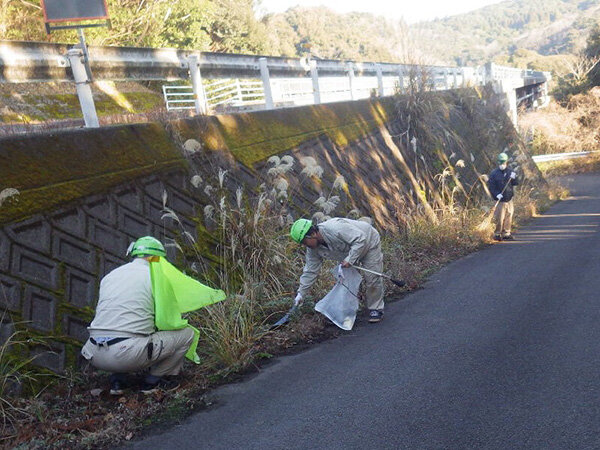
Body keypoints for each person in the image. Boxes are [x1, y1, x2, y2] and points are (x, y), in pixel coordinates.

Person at [81, 236, 212, 395]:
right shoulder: (157, 278)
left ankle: (118, 382)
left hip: (94, 353)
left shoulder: (110, 276)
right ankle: (155, 382)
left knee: (120, 325)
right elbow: (166, 319)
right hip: (126, 354)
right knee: (187, 334)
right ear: (157, 258)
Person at [290, 217, 385, 323]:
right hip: (348, 254)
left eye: (304, 242)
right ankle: (348, 312)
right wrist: (301, 293)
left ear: (312, 234)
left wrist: (350, 259)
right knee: (345, 282)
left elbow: (360, 239)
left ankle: (375, 309)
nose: (305, 245)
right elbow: (310, 270)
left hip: (368, 241)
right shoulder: (313, 249)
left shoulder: (335, 228)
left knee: (372, 278)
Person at [488, 152, 519, 241]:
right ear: (498, 163)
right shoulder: (494, 174)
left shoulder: (510, 172)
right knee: (500, 217)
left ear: (506, 162)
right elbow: (491, 187)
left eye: (504, 163)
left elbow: (515, 183)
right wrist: (496, 194)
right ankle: (497, 234)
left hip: (509, 199)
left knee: (509, 215)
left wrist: (515, 177)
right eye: (501, 163)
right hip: (500, 200)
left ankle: (506, 233)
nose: (502, 165)